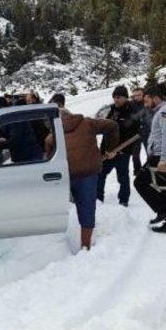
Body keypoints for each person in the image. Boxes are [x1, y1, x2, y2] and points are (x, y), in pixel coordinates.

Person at [51, 104, 119, 250]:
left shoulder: (53, 135)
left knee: (58, 208)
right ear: (71, 114)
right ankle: (85, 245)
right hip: (88, 172)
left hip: (66, 176)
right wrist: (110, 149)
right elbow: (112, 126)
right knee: (87, 207)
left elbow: (48, 152)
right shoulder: (87, 123)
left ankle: (57, 245)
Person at [133, 84, 166, 234]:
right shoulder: (161, 111)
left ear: (155, 98)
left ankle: (163, 212)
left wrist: (163, 159)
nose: (145, 103)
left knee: (139, 182)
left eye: (147, 100)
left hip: (162, 156)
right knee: (164, 189)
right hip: (159, 155)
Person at [96, 85, 141, 207]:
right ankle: (98, 198)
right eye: (114, 97)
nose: (116, 100)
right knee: (100, 174)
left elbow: (135, 135)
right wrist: (103, 151)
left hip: (122, 153)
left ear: (126, 98)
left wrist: (122, 150)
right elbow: (106, 133)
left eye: (119, 97)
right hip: (107, 153)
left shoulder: (132, 113)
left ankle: (123, 201)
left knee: (123, 178)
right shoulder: (112, 111)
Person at [130, 87, 145, 174]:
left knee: (151, 153)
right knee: (135, 154)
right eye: (135, 95)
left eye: (139, 95)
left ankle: (149, 171)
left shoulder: (148, 102)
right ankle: (137, 171)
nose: (137, 97)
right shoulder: (130, 104)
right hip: (135, 133)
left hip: (147, 132)